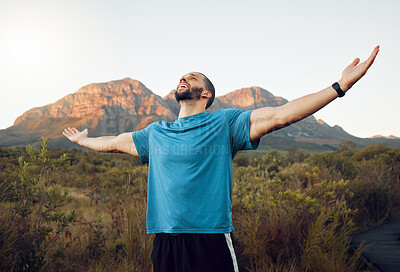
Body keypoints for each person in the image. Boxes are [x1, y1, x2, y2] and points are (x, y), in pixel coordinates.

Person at [62, 46, 380, 272]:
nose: (184, 78)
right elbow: (117, 142)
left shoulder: (225, 123)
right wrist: (85, 140)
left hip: (209, 238)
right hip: (164, 240)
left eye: (193, 77)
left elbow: (282, 114)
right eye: (182, 76)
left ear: (206, 95)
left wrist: (340, 86)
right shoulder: (156, 133)